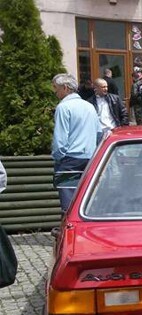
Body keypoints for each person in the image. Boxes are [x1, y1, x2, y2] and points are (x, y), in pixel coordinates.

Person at [51, 73, 99, 212]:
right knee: (85, 200)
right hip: (89, 158)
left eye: (56, 88)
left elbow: (60, 140)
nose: (55, 92)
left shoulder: (63, 107)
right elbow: (99, 133)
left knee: (68, 204)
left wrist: (59, 158)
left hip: (70, 159)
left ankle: (68, 231)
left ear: (65, 88)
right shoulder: (89, 106)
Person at [88, 78, 129, 143]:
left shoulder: (115, 99)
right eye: (103, 87)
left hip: (114, 130)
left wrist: (122, 128)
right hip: (99, 132)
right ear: (96, 88)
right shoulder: (90, 102)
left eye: (106, 87)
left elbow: (124, 114)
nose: (106, 89)